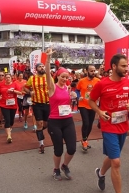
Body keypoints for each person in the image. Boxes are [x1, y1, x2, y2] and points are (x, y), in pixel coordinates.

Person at [89, 53, 129, 193]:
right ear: (114, 66)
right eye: (123, 66)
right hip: (108, 126)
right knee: (116, 162)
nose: (126, 69)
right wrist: (99, 112)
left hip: (123, 125)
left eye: (127, 66)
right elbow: (91, 101)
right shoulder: (102, 83)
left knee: (112, 157)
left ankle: (101, 173)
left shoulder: (128, 83)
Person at [44, 48, 77, 181]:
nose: (64, 79)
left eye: (67, 77)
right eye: (62, 76)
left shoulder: (68, 89)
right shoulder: (53, 87)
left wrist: (73, 96)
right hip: (54, 122)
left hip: (68, 120)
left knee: (72, 148)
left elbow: (68, 102)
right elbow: (47, 73)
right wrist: (47, 59)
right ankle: (56, 169)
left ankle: (65, 165)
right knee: (58, 150)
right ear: (57, 76)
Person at [23, 63, 50, 154]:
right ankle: (41, 144)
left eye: (43, 66)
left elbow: (54, 88)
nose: (42, 67)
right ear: (36, 69)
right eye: (40, 66)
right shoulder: (32, 78)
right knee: (39, 123)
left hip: (47, 103)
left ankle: (39, 132)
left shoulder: (48, 77)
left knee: (46, 124)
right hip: (36, 104)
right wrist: (30, 92)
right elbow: (25, 88)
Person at [76, 64, 100, 152]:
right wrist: (79, 96)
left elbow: (100, 91)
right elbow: (77, 90)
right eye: (91, 71)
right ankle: (85, 140)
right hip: (83, 104)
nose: (93, 72)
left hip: (92, 105)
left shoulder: (98, 81)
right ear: (86, 71)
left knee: (90, 124)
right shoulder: (82, 81)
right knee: (85, 123)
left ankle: (85, 139)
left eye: (94, 71)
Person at [0, 73, 23, 143]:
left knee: (11, 121)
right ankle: (9, 136)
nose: (8, 78)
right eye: (6, 77)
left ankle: (9, 129)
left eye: (9, 77)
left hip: (13, 105)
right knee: (7, 120)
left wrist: (13, 91)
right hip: (4, 105)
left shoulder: (15, 84)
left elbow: (20, 93)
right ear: (5, 78)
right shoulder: (1, 85)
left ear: (11, 78)